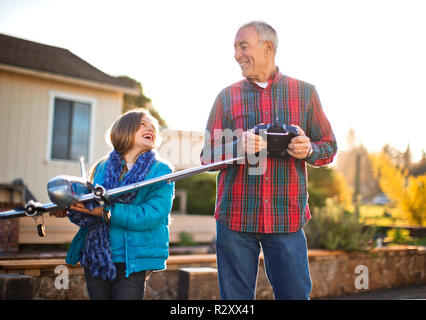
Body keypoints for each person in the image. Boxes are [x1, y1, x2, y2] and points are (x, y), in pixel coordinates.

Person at [201, 21, 337, 300]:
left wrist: (308, 149)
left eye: (243, 46)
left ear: (268, 48)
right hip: (235, 219)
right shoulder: (226, 98)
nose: (237, 54)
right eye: (235, 48)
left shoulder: (305, 93)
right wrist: (238, 145)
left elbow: (330, 147)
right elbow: (208, 156)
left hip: (285, 218)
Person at [50, 108, 174, 300]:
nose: (150, 128)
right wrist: (69, 207)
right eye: (143, 124)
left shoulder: (161, 170)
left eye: (153, 126)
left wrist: (107, 213)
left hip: (131, 260)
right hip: (95, 256)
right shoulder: (102, 166)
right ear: (124, 129)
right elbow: (90, 208)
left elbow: (153, 214)